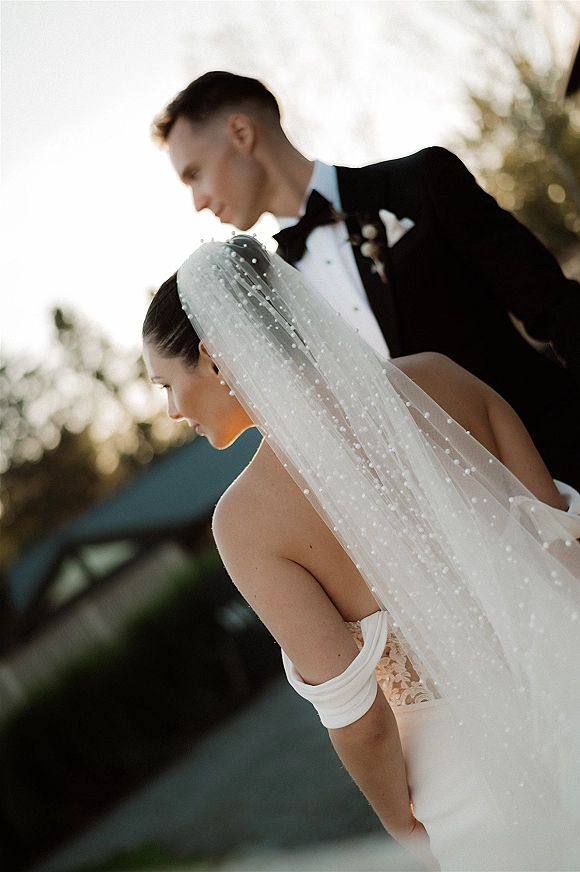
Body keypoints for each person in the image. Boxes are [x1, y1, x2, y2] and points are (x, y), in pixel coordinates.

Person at [142, 235, 580, 871]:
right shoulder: (439, 376)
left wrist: (399, 823)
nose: (173, 410)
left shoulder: (245, 523)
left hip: (473, 783)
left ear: (213, 359)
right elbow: (568, 550)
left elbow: (363, 720)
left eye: (164, 385)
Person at [151, 70, 580, 492]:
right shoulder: (269, 299)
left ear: (241, 133)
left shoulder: (420, 183)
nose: (198, 201)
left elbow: (556, 307)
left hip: (561, 456)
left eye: (195, 174)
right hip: (466, 523)